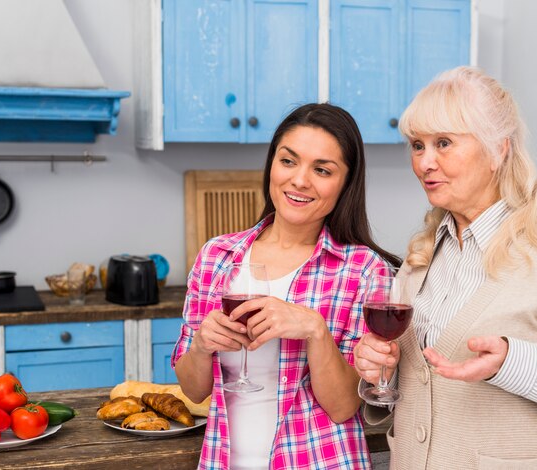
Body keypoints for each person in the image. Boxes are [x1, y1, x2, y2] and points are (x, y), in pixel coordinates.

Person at [354, 66, 537, 469]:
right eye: (417, 145)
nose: (424, 162)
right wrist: (382, 372)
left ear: (499, 148)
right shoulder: (422, 256)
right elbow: (421, 385)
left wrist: (512, 363)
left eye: (443, 143)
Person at [172, 103, 401, 469]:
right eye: (288, 161)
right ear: (271, 165)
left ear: (345, 183)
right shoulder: (217, 256)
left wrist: (314, 329)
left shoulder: (362, 270)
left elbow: (343, 406)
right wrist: (201, 345)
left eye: (322, 170)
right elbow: (193, 389)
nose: (299, 180)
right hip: (224, 461)